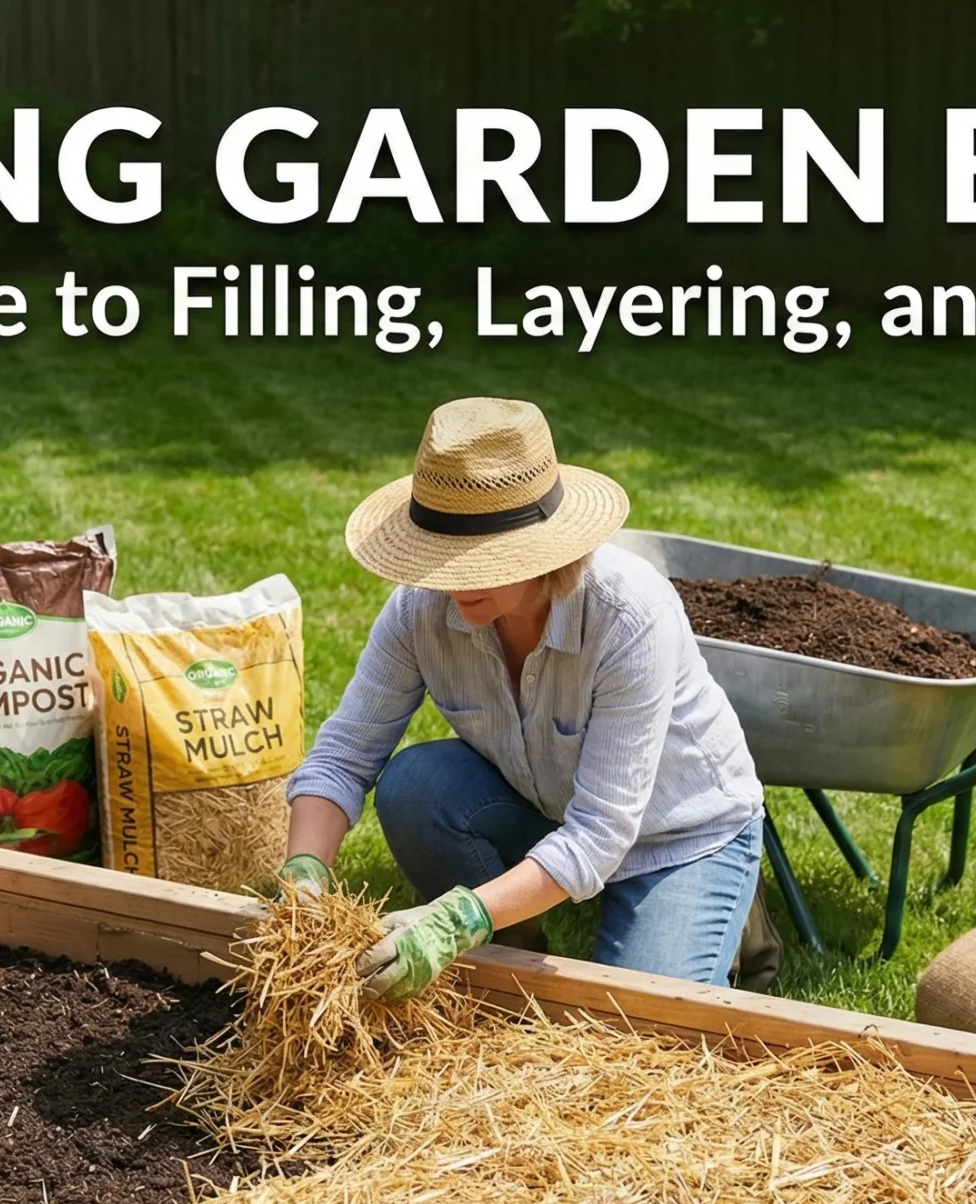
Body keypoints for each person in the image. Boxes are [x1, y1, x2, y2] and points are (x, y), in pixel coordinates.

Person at [277, 396, 769, 1001]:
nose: (452, 581)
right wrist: (305, 875)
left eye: (477, 562)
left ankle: (724, 902)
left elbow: (601, 830)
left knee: (638, 1023)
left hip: (675, 835)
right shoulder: (418, 609)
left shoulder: (628, 615)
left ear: (543, 551)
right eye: (439, 559)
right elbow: (343, 756)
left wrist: (455, 920)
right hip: (551, 807)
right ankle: (512, 945)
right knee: (416, 786)